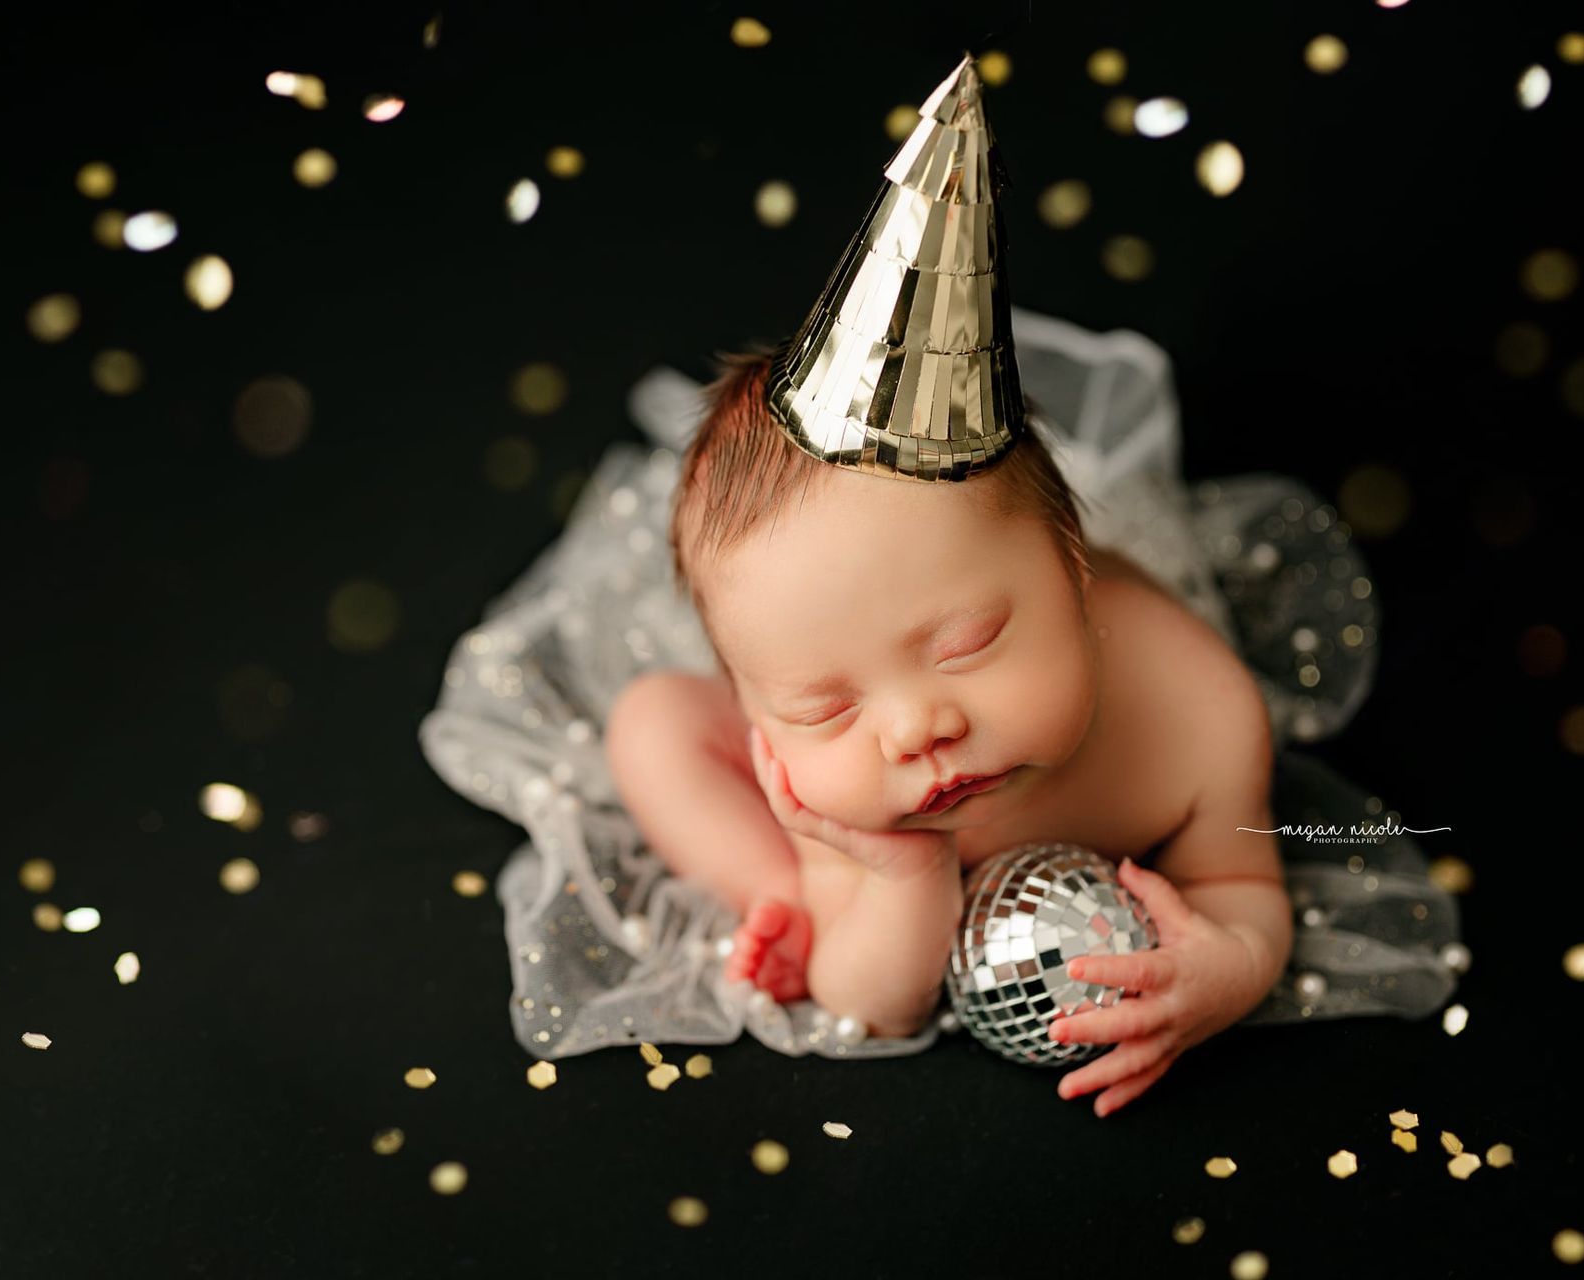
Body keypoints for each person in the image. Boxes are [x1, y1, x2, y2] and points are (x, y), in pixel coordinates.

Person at [417, 54, 1464, 1105]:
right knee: (646, 725)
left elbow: (1244, 884)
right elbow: (873, 1005)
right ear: (764, 716)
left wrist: (1226, 966)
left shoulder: (1197, 710)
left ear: (1076, 575)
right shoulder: (853, 796)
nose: (916, 729)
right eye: (822, 707)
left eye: (966, 642)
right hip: (816, 810)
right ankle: (767, 883)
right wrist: (893, 871)